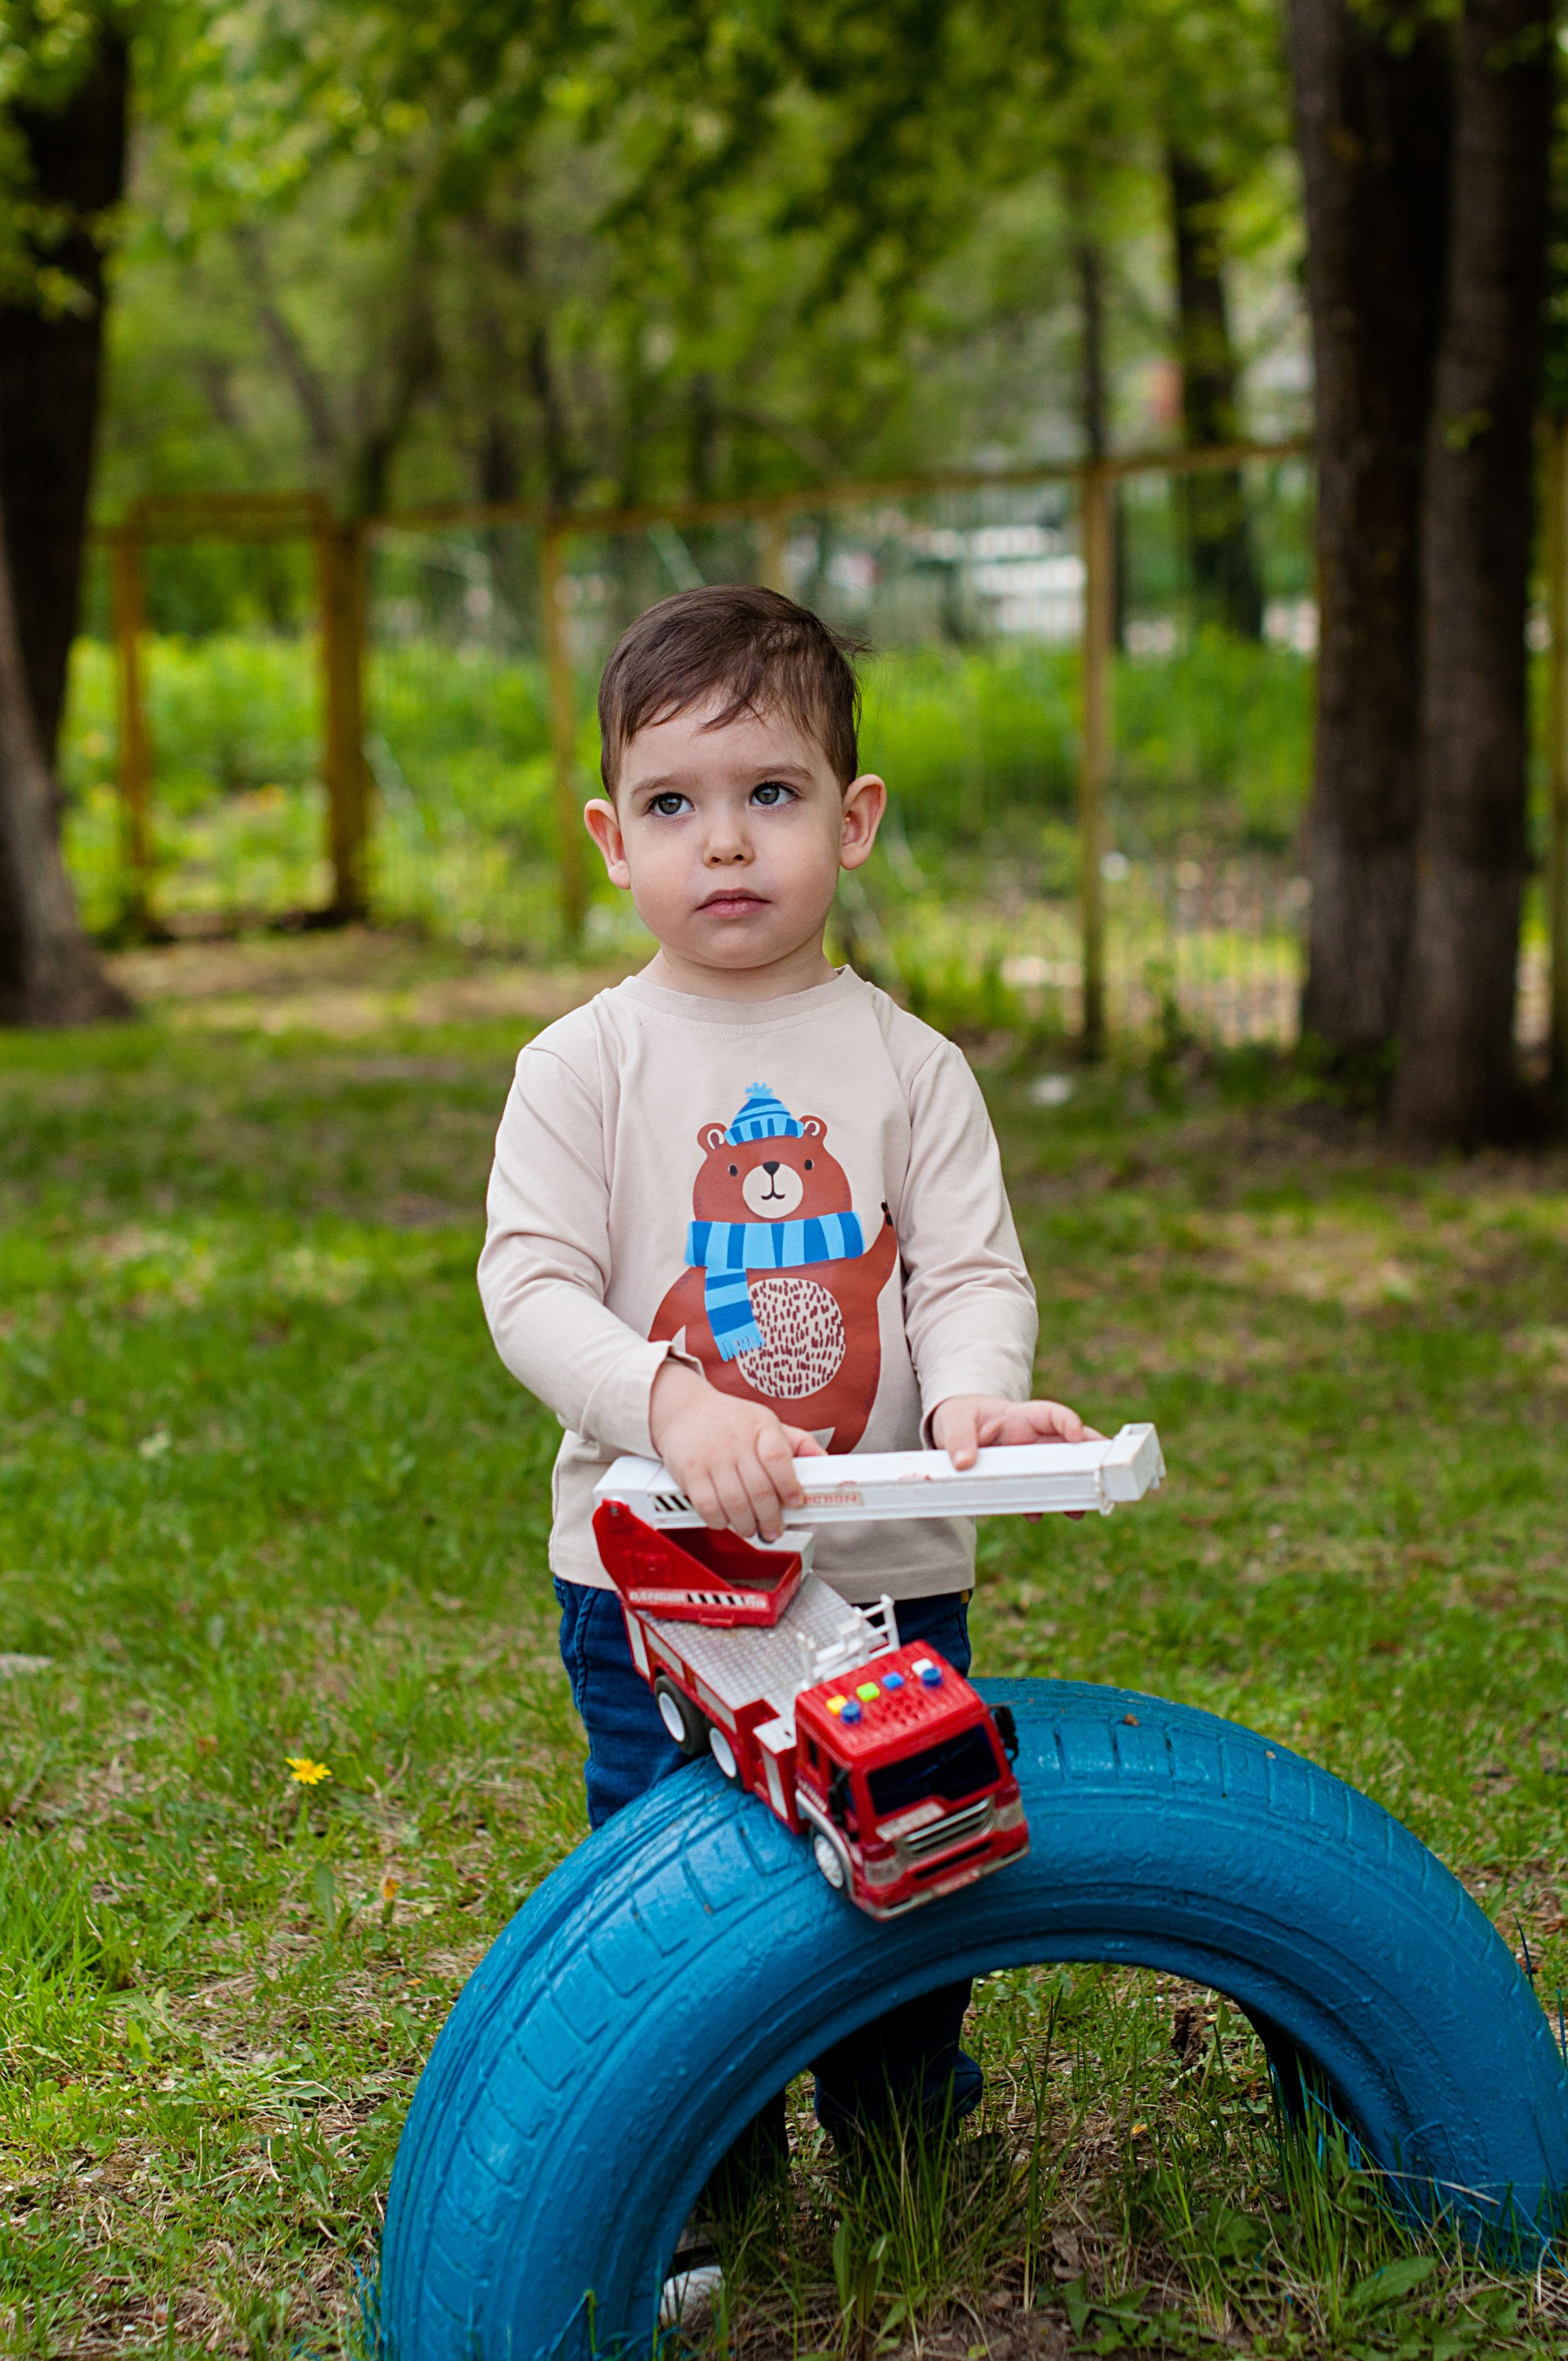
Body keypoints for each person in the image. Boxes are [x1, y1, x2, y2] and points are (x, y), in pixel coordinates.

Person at [478, 582, 1090, 2195]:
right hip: (656, 1585)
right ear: (612, 841)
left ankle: (900, 2134)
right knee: (669, 1878)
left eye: (771, 794)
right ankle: (702, 2160)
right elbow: (528, 1289)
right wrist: (671, 1401)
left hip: (879, 1576)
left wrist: (970, 1400)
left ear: (854, 816)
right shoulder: (581, 1068)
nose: (725, 843)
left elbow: (964, 1274)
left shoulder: (912, 1068)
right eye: (675, 805)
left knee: (912, 1848)